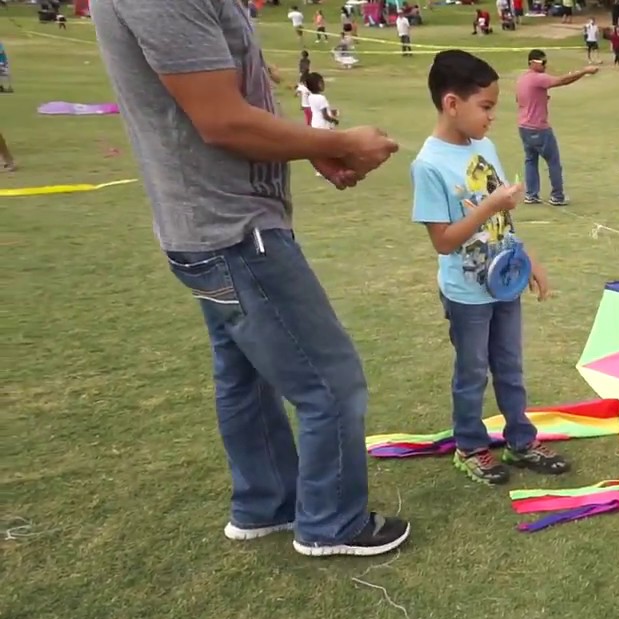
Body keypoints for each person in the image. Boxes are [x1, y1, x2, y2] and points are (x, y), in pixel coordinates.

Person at [92, 0, 408, 556]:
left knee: (245, 372)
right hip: (233, 233)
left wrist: (303, 149)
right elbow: (221, 121)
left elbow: (230, 95)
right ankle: (330, 522)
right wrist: (337, 141)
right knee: (330, 380)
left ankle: (266, 504)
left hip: (209, 229)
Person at [410, 50, 568, 486]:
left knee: (510, 366)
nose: (492, 116)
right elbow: (443, 240)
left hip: (504, 284)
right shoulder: (429, 165)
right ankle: (471, 447)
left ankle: (521, 440)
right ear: (451, 104)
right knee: (473, 372)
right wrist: (490, 204)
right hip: (466, 293)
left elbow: (504, 219)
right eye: (486, 106)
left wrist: (528, 257)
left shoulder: (486, 147)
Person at [514, 49, 598, 206]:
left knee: (530, 160)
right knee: (553, 161)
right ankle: (557, 196)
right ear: (532, 63)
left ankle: (531, 194)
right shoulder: (537, 78)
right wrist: (584, 72)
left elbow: (519, 99)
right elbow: (562, 80)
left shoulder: (522, 79)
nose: (546, 66)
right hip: (538, 127)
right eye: (543, 63)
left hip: (524, 126)